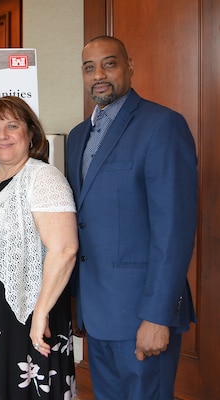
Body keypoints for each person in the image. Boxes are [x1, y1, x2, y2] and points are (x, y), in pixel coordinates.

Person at [66, 35, 198, 399]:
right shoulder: (78, 136)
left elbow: (174, 230)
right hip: (96, 312)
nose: (99, 75)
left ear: (129, 67)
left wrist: (157, 316)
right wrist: (77, 305)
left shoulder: (162, 125)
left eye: (109, 63)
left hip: (142, 313)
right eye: (89, 67)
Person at [0, 96, 78, 399]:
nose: (2, 135)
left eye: (11, 126)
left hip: (26, 317)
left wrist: (41, 313)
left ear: (30, 133)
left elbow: (65, 249)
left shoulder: (43, 177)